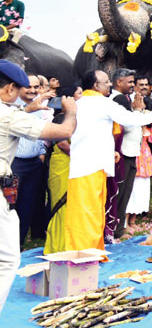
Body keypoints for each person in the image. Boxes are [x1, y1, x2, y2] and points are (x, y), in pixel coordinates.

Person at [0, 60, 77, 314]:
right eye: (20, 91)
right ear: (10, 89)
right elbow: (63, 130)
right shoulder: (7, 114)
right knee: (9, 260)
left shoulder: (11, 113)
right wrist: (71, 110)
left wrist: (29, 109)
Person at [65, 70, 152, 251]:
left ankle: (87, 249)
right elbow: (129, 119)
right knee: (90, 210)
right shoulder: (102, 103)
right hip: (92, 166)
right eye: (106, 82)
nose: (109, 85)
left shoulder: (81, 103)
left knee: (86, 210)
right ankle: (87, 252)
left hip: (85, 165)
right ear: (95, 86)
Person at [12, 75, 53, 244]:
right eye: (28, 86)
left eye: (36, 87)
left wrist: (42, 152)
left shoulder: (42, 107)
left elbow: (43, 133)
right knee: (9, 208)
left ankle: (18, 246)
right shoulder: (12, 107)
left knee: (27, 206)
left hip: (35, 163)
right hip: (15, 164)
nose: (33, 90)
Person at [44, 84, 79, 254]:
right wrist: (83, 158)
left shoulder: (77, 119)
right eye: (79, 94)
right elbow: (64, 144)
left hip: (73, 166)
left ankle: (69, 243)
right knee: (60, 205)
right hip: (61, 166)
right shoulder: (60, 119)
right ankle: (56, 246)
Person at [107, 68, 141, 241]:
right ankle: (113, 229)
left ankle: (119, 227)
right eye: (129, 82)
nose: (132, 85)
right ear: (119, 82)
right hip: (122, 152)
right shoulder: (117, 99)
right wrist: (138, 111)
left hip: (131, 151)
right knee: (118, 192)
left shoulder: (126, 98)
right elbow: (125, 125)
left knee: (125, 192)